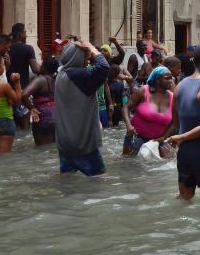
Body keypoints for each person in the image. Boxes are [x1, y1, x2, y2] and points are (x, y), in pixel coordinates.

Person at [165, 44, 200, 200]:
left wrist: (182, 137)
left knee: (184, 202)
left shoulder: (179, 87)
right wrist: (182, 137)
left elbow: (176, 123)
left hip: (184, 155)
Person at [55, 40, 110, 176]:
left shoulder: (61, 74)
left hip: (64, 142)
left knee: (67, 179)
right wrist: (91, 47)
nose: (88, 60)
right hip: (83, 143)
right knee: (99, 181)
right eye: (86, 57)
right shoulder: (79, 75)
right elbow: (104, 68)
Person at [123, 65, 175, 155]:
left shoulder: (173, 98)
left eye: (171, 78)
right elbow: (126, 107)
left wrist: (164, 138)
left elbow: (175, 122)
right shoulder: (143, 91)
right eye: (167, 78)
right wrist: (128, 126)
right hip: (136, 138)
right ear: (157, 80)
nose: (171, 81)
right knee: (129, 165)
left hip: (157, 143)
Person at [23, 56, 59, 145]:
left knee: (42, 151)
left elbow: (24, 95)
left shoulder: (40, 80)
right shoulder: (59, 79)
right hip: (57, 119)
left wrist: (31, 108)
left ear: (43, 66)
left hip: (42, 119)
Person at [7, 23, 39, 89]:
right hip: (22, 88)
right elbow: (35, 69)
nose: (26, 35)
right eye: (25, 32)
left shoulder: (7, 48)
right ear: (20, 34)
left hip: (8, 88)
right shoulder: (28, 48)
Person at [106, 64, 128, 129]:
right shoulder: (121, 85)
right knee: (116, 127)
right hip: (118, 109)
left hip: (109, 109)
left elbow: (111, 102)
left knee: (109, 127)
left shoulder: (107, 85)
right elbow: (124, 99)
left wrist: (110, 119)